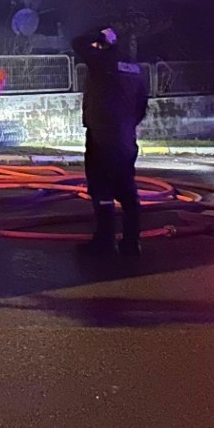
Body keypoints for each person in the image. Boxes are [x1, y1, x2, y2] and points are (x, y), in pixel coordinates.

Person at [73, 26, 150, 257]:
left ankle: (105, 241)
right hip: (125, 138)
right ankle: (131, 242)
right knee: (127, 189)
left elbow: (77, 41)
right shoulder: (134, 69)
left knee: (102, 189)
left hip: (101, 137)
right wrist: (126, 126)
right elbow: (141, 106)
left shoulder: (103, 63)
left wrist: (97, 35)